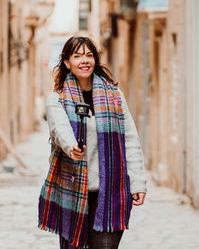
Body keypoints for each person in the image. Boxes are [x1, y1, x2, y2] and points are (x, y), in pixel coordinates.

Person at [38, 36, 147, 249]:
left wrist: (138, 182)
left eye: (89, 55)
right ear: (67, 62)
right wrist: (71, 147)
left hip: (112, 193)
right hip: (74, 192)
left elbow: (131, 140)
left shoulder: (115, 97)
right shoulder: (57, 99)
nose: (84, 60)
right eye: (77, 56)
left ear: (95, 60)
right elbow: (60, 129)